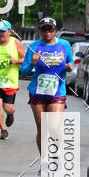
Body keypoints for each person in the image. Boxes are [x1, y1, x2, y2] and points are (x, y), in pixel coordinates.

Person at [20, 16, 74, 163]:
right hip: (37, 92)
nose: (47, 33)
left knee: (54, 127)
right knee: (42, 129)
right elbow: (23, 71)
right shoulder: (33, 46)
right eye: (44, 29)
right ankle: (44, 160)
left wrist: (69, 67)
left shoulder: (64, 45)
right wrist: (32, 63)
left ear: (55, 30)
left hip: (57, 92)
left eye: (50, 29)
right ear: (40, 30)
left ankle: (55, 157)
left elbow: (70, 63)